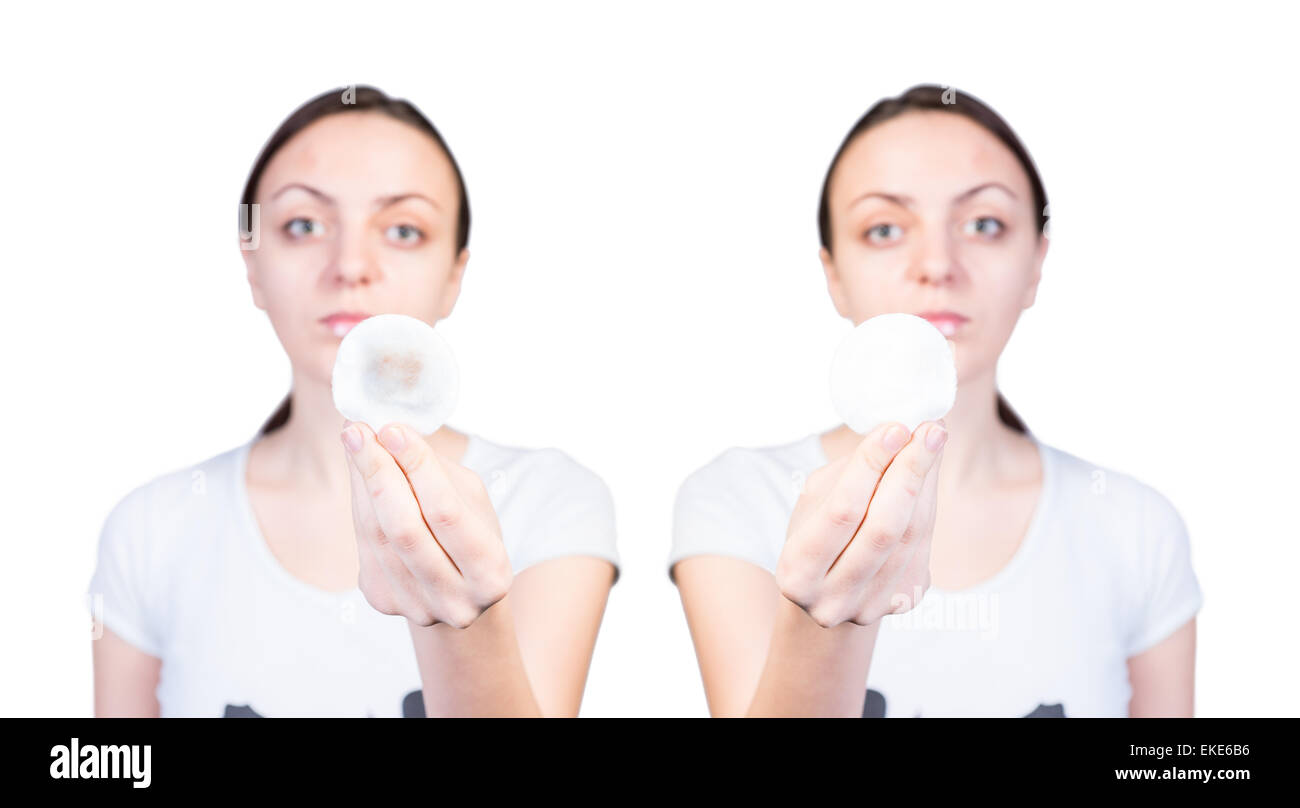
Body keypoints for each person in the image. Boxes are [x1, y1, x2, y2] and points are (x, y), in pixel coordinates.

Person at [668, 84, 1203, 718]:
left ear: (1035, 263)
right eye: (886, 228)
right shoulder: (737, 501)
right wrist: (828, 625)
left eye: (984, 224)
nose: (937, 264)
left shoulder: (1135, 528)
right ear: (832, 274)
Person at [87, 86, 620, 717]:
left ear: (455, 275)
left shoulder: (550, 502)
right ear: (253, 265)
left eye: (402, 229)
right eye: (304, 225)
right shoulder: (151, 530)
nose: (350, 265)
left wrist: (461, 627)